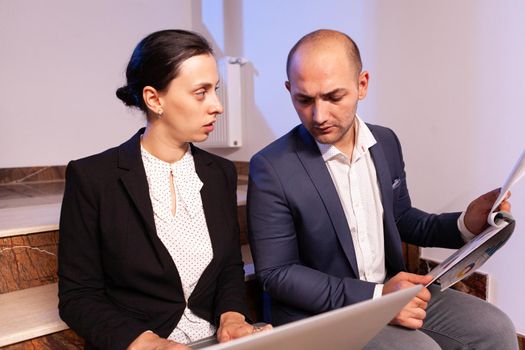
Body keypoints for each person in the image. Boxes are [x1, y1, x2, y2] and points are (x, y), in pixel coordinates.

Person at [247, 29, 518, 349]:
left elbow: (401, 217)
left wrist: (465, 223)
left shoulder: (385, 142)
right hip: (319, 314)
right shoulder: (271, 166)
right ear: (289, 90)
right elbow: (277, 273)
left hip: (391, 292)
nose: (319, 116)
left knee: (496, 328)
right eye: (304, 100)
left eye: (334, 97)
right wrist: (377, 298)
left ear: (362, 85)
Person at [58, 29, 269, 350]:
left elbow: (228, 267)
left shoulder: (220, 174)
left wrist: (233, 317)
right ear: (154, 99)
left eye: (216, 90)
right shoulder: (93, 178)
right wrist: (145, 343)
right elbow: (78, 296)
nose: (217, 106)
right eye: (201, 93)